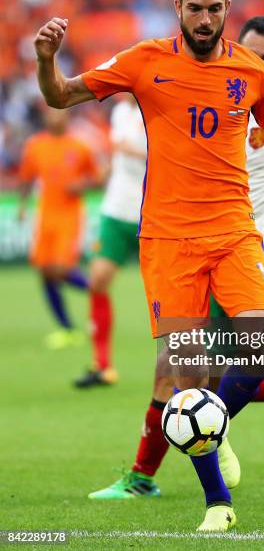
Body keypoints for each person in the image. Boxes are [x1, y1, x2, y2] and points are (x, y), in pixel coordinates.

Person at [34, 0, 264, 532]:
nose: (205, 20)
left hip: (234, 232)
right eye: (195, 8)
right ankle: (218, 503)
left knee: (258, 347)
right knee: (186, 371)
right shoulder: (142, 61)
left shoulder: (254, 71)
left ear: (228, 7)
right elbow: (60, 97)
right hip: (168, 239)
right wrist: (45, 58)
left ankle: (213, 423)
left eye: (215, 9)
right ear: (177, 4)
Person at [87, 17, 264, 503]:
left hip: (249, 260)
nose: (261, 64)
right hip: (193, 249)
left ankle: (179, 464)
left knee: (203, 375)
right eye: (254, 54)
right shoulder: (209, 100)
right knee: (182, 370)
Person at [75, 96, 147, 388]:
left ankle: (198, 363)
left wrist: (131, 152)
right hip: (116, 209)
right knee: (98, 280)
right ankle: (102, 365)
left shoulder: (161, 108)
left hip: (151, 212)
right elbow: (117, 157)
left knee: (174, 292)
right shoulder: (119, 111)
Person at [18, 107, 100, 349]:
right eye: (51, 113)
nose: (55, 117)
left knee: (61, 269)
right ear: (45, 117)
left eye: (60, 113)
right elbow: (26, 177)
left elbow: (96, 178)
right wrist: (22, 206)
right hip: (45, 215)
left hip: (69, 216)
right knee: (44, 271)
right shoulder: (36, 146)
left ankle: (97, 290)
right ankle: (66, 329)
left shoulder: (80, 146)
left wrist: (82, 184)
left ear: (67, 117)